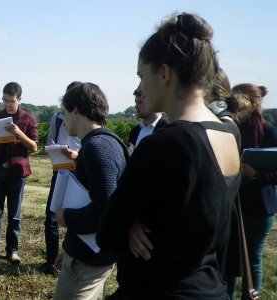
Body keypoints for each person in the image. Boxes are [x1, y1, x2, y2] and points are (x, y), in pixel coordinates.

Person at [96, 12, 241, 299]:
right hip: (211, 288)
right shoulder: (229, 134)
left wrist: (127, 224)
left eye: (141, 76)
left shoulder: (166, 143)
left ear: (164, 73)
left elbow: (108, 232)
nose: (139, 88)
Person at [52, 82, 127, 300]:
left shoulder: (97, 148)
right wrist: (70, 248)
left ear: (75, 109)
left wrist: (66, 217)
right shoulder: (105, 142)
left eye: (65, 112)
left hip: (87, 263)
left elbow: (104, 209)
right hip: (89, 255)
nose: (63, 119)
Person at [0, 82, 38, 268]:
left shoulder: (28, 119)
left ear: (19, 99)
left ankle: (12, 251)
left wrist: (19, 133)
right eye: (4, 100)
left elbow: (34, 147)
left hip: (18, 173)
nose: (7, 104)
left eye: (11, 101)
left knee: (15, 216)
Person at [227, 83, 277, 299]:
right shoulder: (230, 131)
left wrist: (255, 174)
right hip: (233, 205)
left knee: (253, 259)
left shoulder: (269, 133)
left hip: (259, 207)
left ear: (254, 105)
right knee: (231, 258)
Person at [35, 81, 82, 276]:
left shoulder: (84, 119)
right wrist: (53, 147)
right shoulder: (57, 118)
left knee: (77, 218)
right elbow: (48, 142)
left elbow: (92, 147)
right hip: (60, 172)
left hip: (79, 173)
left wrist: (77, 155)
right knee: (51, 216)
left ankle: (74, 259)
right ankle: (51, 261)